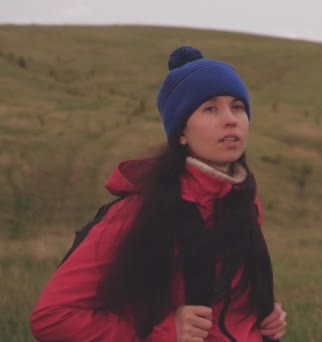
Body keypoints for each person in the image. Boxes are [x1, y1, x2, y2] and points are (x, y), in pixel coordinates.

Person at [31, 46, 287, 342]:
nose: (230, 119)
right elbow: (52, 317)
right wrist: (163, 334)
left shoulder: (244, 203)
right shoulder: (139, 212)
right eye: (210, 108)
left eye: (238, 107)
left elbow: (226, 307)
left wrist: (258, 316)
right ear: (181, 132)